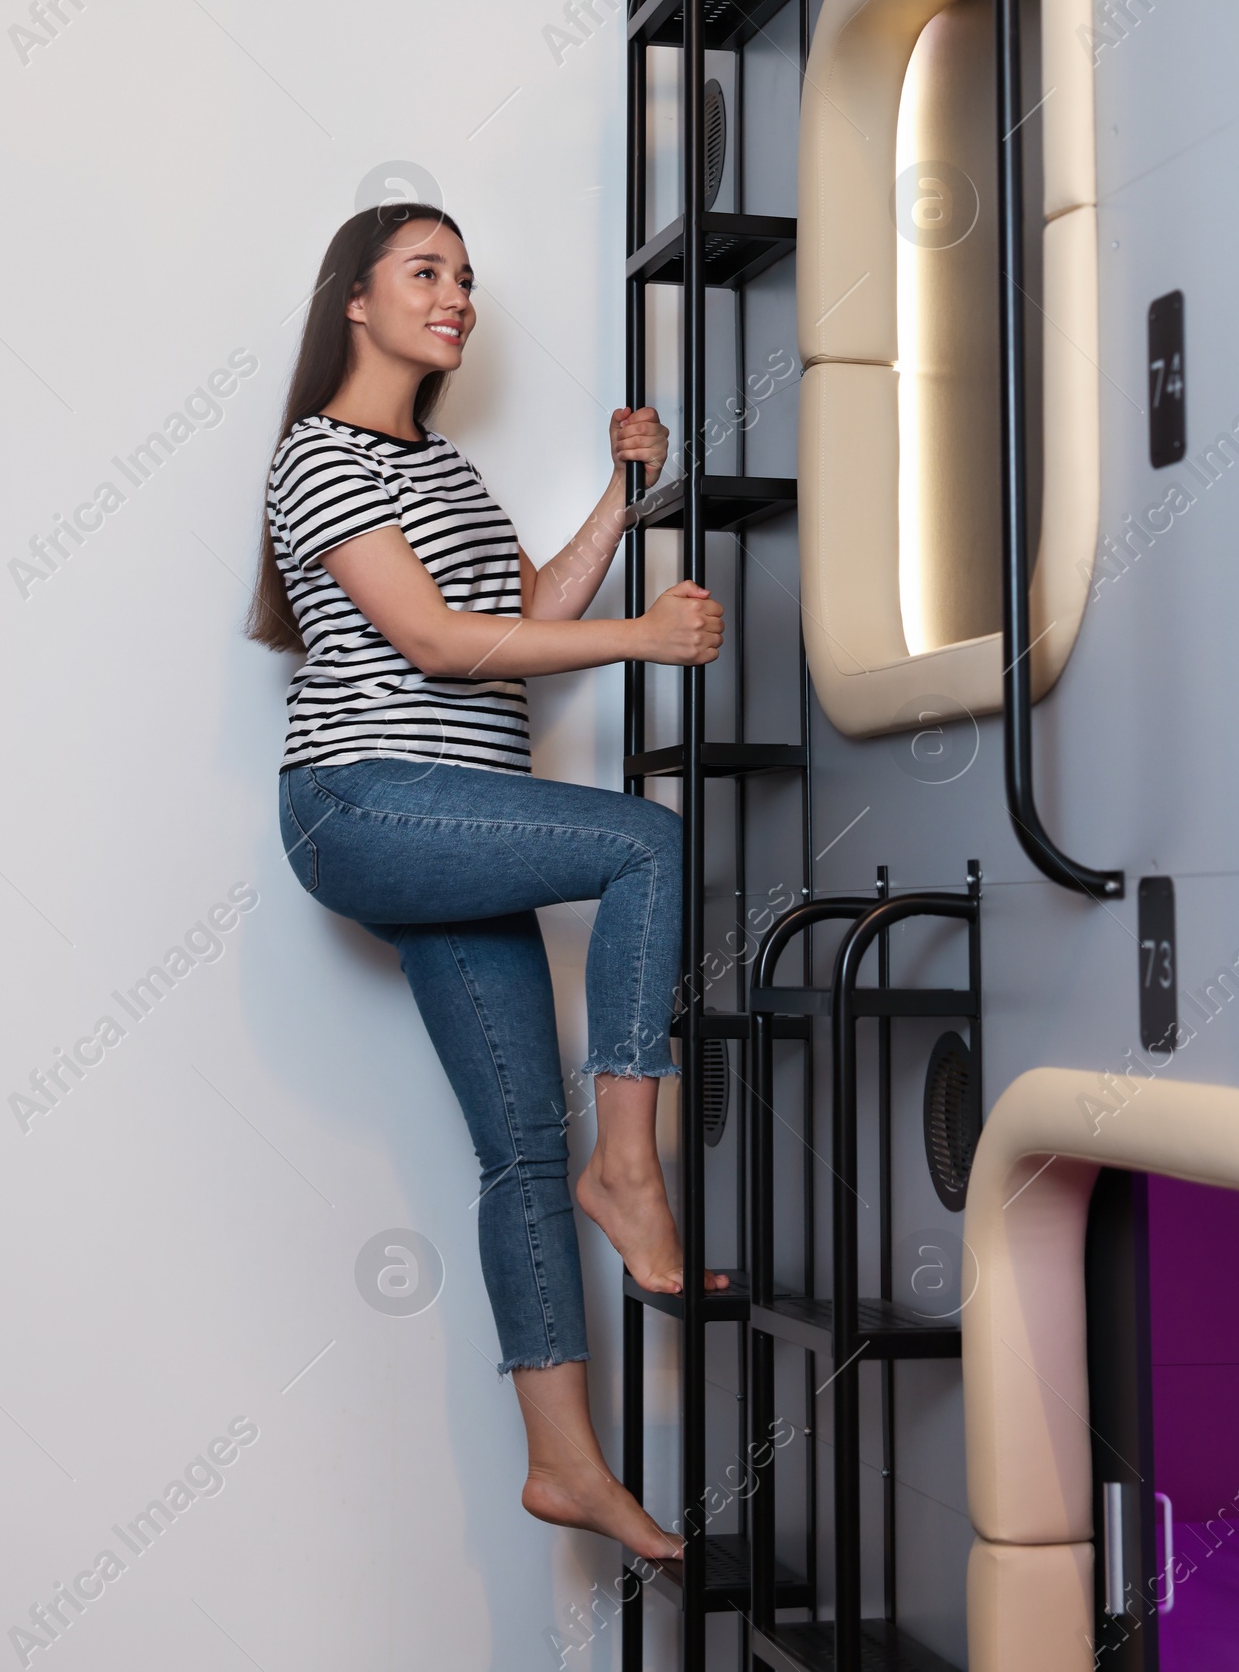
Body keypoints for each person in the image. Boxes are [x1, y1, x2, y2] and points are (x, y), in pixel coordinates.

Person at [248, 200, 726, 1559]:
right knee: (646, 839)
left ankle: (563, 1466)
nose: (455, 294)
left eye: (464, 275)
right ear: (355, 296)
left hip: (456, 819)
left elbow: (525, 617)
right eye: (424, 271)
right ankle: (631, 1171)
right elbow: (440, 647)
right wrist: (649, 638)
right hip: (360, 803)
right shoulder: (319, 458)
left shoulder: (443, 471)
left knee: (522, 1146)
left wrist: (624, 505)